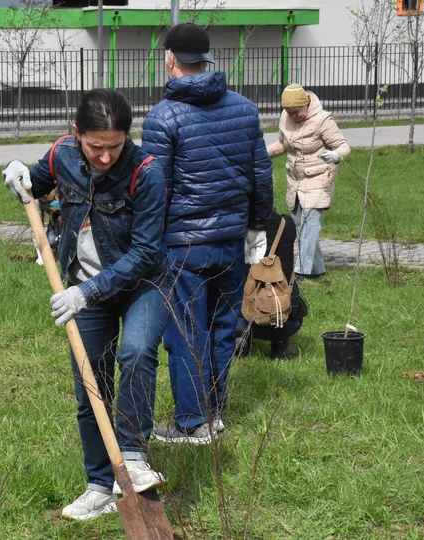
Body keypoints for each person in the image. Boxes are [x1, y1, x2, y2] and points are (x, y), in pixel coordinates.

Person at [2, 89, 170, 521]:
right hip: (84, 283)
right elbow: (35, 183)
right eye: (96, 146)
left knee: (135, 352)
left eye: (115, 146)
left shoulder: (146, 171)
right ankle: (98, 484)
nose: (106, 156)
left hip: (142, 285)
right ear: (77, 134)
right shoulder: (63, 153)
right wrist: (19, 173)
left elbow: (147, 252)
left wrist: (85, 293)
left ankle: (131, 457)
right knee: (91, 385)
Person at [141, 23, 275, 445]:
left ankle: (192, 422)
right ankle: (213, 413)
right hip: (234, 240)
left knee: (185, 331)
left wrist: (145, 243)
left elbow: (154, 190)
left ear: (170, 59)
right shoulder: (244, 108)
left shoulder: (163, 116)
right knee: (221, 328)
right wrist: (257, 227)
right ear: (208, 59)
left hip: (183, 244)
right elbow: (261, 175)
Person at [266, 83, 351, 280]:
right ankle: (317, 269)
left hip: (319, 178)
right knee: (299, 226)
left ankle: (301, 271)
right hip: (295, 180)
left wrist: (336, 155)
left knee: (310, 224)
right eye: (289, 111)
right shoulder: (286, 118)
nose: (293, 115)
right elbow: (282, 144)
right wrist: (264, 153)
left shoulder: (323, 120)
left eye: (297, 111)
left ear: (306, 105)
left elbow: (344, 146)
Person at [237, 213, 308, 359]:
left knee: (235, 293)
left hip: (247, 314)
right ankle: (280, 347)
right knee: (286, 291)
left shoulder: (239, 225)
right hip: (285, 317)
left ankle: (243, 338)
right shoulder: (286, 224)